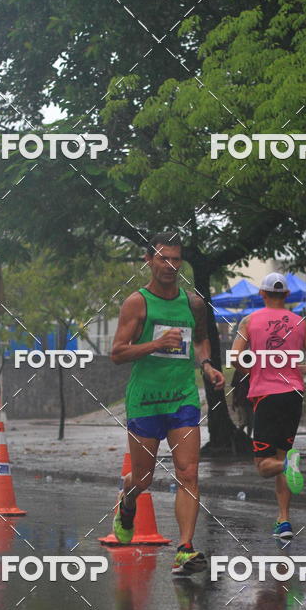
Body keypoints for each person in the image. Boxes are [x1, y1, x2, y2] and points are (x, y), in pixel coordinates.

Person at [110, 232, 225, 576]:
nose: (171, 266)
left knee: (188, 473)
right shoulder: (137, 302)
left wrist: (206, 365)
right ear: (149, 260)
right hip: (145, 401)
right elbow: (117, 352)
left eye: (177, 259)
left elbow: (202, 340)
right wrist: (156, 343)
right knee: (142, 479)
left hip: (182, 399)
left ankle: (185, 549)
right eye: (164, 259)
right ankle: (126, 501)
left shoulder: (193, 303)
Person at [229, 272, 306, 540]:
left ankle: (287, 467)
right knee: (282, 454)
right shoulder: (301, 323)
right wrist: (302, 368)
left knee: (263, 465)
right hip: (292, 394)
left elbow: (235, 358)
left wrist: (252, 368)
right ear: (287, 295)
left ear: (262, 294)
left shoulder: (249, 320)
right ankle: (284, 521)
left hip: (265, 396)